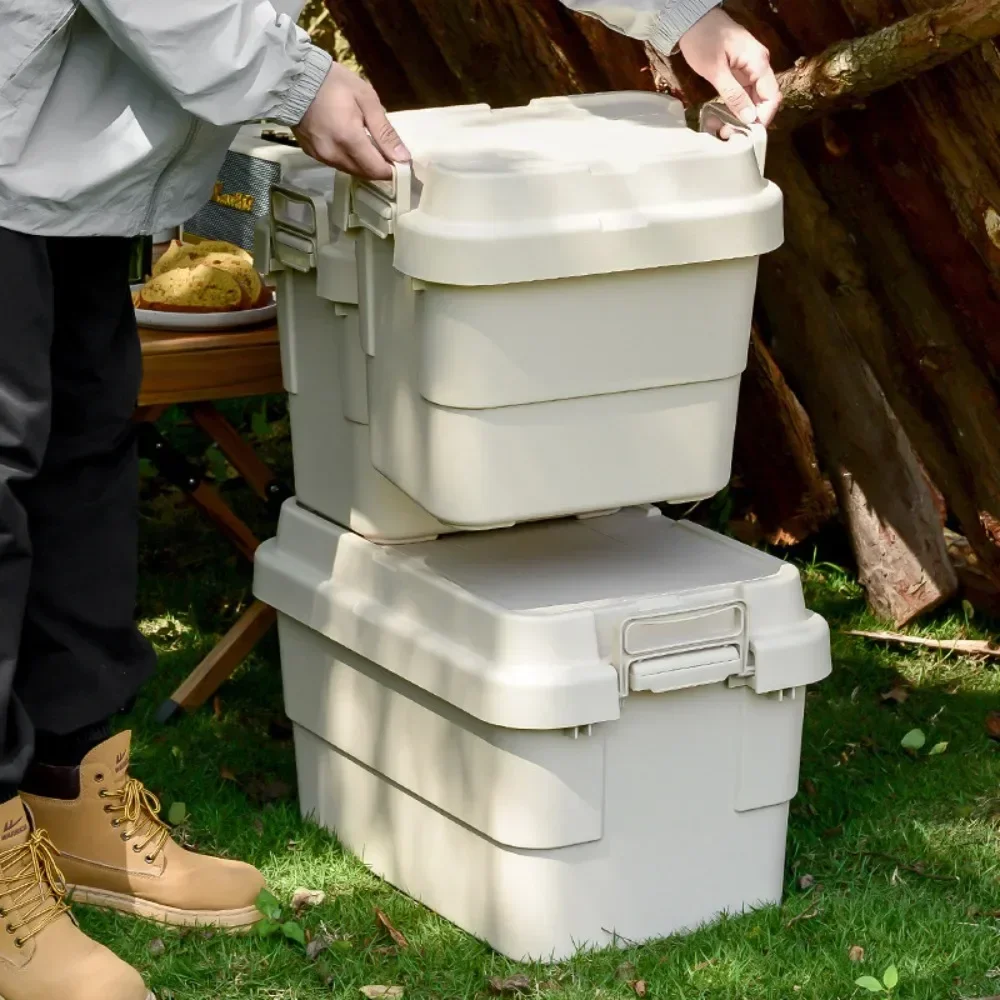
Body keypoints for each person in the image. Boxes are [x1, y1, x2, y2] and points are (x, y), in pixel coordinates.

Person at [0, 1, 779, 996]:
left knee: (82, 444)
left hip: (72, 154)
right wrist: (297, 79)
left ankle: (73, 792)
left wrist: (679, 19)